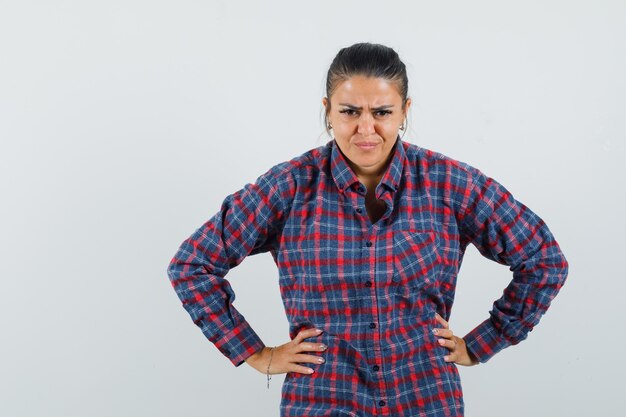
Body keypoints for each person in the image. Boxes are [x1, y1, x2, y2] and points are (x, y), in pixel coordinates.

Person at [166, 42, 569, 417]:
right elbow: (192, 265)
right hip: (324, 398)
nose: (365, 128)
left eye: (381, 112)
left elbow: (544, 261)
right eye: (349, 111)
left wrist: (482, 344)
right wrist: (257, 354)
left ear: (404, 110)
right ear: (327, 109)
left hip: (425, 397)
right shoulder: (288, 186)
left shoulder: (449, 183)